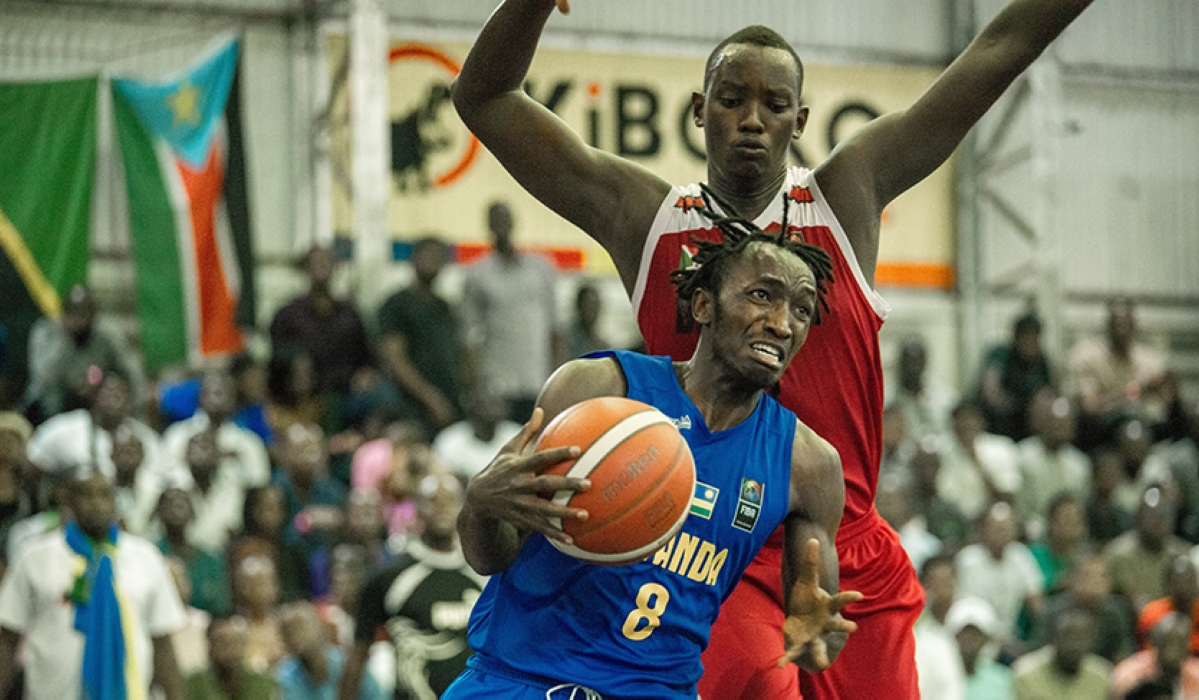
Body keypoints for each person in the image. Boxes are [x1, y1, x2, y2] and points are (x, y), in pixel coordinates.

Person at [450, 0, 1098, 695]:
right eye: (731, 100)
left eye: (773, 104)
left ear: (801, 120)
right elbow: (486, 99)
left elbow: (998, 47)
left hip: (845, 539)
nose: (751, 119)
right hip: (717, 544)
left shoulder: (846, 193)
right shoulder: (646, 217)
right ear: (699, 110)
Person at [443, 231, 860, 698]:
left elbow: (815, 632)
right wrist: (480, 505)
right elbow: (489, 557)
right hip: (516, 678)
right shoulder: (599, 387)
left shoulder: (808, 465)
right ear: (703, 306)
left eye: (802, 310)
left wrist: (816, 634)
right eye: (762, 296)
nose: (783, 324)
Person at [0, 468, 187, 700]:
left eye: (104, 495)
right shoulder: (35, 557)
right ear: (67, 500)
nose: (96, 504)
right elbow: (7, 638)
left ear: (115, 501)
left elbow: (163, 645)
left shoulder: (145, 557)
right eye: (86, 495)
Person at [340, 472, 485, 700]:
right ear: (416, 508)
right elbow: (358, 655)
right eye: (432, 501)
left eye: (449, 501)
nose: (442, 508)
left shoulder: (485, 576)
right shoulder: (389, 578)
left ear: (462, 508)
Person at [461, 202, 564, 424]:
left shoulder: (540, 268)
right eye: (495, 221)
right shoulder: (477, 275)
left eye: (505, 220)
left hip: (537, 378)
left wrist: (558, 381)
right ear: (488, 226)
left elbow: (555, 327)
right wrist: (476, 385)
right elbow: (468, 337)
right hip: (498, 383)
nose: (501, 226)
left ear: (513, 223)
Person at [377, 235, 465, 439]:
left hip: (448, 400)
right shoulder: (396, 304)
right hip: (411, 405)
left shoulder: (445, 307)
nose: (433, 261)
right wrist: (431, 399)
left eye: (438, 257)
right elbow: (395, 359)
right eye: (428, 255)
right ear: (413, 260)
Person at [23, 284, 144, 420]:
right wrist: (65, 339)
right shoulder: (46, 332)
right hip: (56, 403)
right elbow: (42, 377)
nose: (78, 320)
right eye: (72, 313)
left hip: (95, 401)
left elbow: (130, 371)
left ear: (94, 316)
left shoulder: (106, 336)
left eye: (83, 314)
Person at [1066, 296, 1169, 450]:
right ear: (1108, 325)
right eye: (1117, 324)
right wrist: (1135, 394)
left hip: (1143, 434)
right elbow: (1090, 409)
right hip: (1100, 437)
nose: (1122, 329)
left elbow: (1164, 409)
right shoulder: (1086, 356)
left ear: (1135, 324)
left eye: (1126, 323)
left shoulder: (1151, 361)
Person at [277, 601, 385, 700]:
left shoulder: (347, 664)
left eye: (301, 628)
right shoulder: (286, 676)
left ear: (318, 627)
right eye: (288, 632)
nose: (295, 637)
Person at [978, 312, 1055, 441]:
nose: (1030, 344)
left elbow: (1049, 395)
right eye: (1026, 337)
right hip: (997, 422)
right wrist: (1015, 404)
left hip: (1027, 425)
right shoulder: (1001, 354)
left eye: (1035, 338)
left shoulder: (1041, 361)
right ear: (1016, 338)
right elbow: (990, 391)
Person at [1012, 606, 1113, 700]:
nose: (1074, 646)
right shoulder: (1027, 673)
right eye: (1068, 638)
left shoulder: (1101, 678)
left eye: (1081, 639)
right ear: (1054, 638)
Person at [184, 614, 281, 700]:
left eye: (236, 644)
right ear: (210, 649)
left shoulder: (263, 684)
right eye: (223, 644)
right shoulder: (194, 683)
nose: (230, 652)